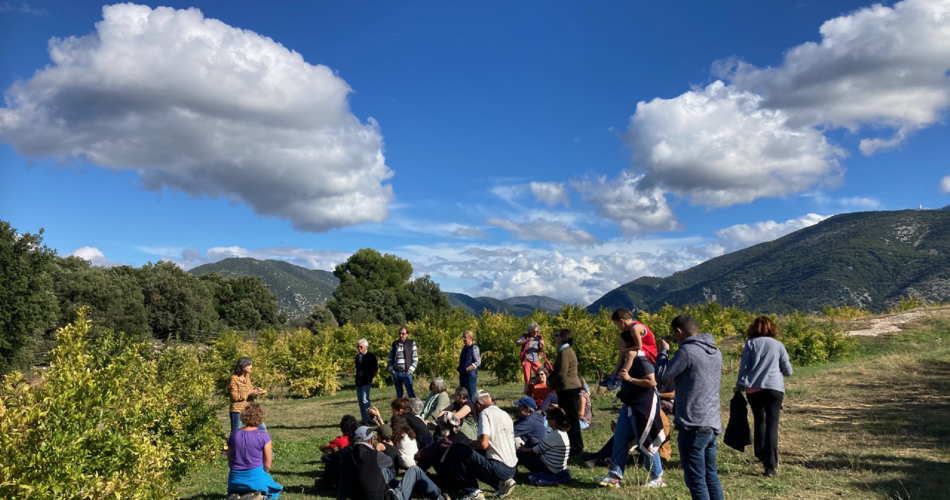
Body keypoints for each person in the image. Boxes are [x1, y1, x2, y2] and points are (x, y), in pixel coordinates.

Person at [655, 314, 724, 500]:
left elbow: (661, 376)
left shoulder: (687, 352)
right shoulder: (715, 351)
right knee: (711, 475)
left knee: (696, 480)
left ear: (679, 331)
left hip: (692, 424)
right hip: (712, 422)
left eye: (674, 334)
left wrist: (663, 351)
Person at [595, 335, 665, 489]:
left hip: (643, 404)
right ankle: (614, 476)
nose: (619, 345)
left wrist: (630, 379)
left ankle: (657, 477)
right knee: (620, 438)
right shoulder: (628, 359)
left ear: (629, 344)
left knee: (645, 439)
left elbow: (652, 382)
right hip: (629, 403)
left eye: (621, 342)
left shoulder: (641, 360)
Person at [734, 316, 793, 477]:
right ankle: (770, 466)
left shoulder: (751, 344)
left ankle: (760, 453)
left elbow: (744, 367)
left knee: (760, 420)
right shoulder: (778, 345)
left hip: (754, 388)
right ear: (772, 328)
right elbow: (788, 371)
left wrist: (739, 385)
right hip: (774, 389)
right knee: (772, 426)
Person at [339, 425, 448, 500]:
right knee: (414, 470)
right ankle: (439, 497)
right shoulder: (375, 455)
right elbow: (388, 461)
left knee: (382, 470)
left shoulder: (345, 458)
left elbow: (342, 484)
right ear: (371, 440)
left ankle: (402, 487)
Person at [451, 390, 518, 500]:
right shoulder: (505, 414)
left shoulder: (485, 413)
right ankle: (502, 483)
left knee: (458, 450)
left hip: (499, 467)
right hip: (512, 467)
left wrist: (469, 443)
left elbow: (483, 443)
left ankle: (472, 491)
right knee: (475, 456)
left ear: (477, 404)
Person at [226, 403, 282, 499]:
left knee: (240, 488)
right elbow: (267, 464)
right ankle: (261, 496)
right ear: (261, 417)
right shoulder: (264, 436)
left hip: (234, 479)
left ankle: (236, 494)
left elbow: (229, 459)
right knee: (275, 489)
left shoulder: (234, 434)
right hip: (255, 477)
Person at [547, 329, 583, 456]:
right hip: (567, 388)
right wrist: (549, 378)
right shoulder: (564, 351)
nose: (555, 338)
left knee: (570, 417)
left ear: (562, 338)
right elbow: (556, 371)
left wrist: (551, 383)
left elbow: (562, 374)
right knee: (568, 416)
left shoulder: (565, 352)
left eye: (557, 335)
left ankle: (576, 446)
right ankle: (571, 443)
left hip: (568, 388)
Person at [415, 413, 472, 490]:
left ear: (443, 426)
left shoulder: (446, 442)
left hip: (456, 482)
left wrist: (419, 454)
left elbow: (423, 454)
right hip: (468, 479)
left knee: (432, 456)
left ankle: (414, 475)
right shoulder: (462, 436)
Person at [517, 406, 570, 476]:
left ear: (554, 421)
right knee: (532, 440)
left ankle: (511, 472)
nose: (546, 419)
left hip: (549, 470)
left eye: (548, 418)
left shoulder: (553, 435)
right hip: (557, 467)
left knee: (518, 453)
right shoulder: (562, 433)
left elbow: (537, 450)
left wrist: (524, 450)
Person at [388, 326, 419, 399]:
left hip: (406, 373)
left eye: (403, 334)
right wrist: (391, 370)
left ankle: (415, 409)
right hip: (396, 373)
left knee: (410, 393)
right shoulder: (395, 344)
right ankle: (401, 410)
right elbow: (390, 358)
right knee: (399, 395)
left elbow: (415, 359)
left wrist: (410, 371)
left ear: (407, 334)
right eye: (400, 333)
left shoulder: (411, 343)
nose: (401, 335)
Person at [516, 323, 545, 395]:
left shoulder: (539, 338)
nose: (536, 333)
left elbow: (541, 350)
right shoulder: (525, 336)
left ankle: (541, 390)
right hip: (526, 359)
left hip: (535, 359)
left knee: (540, 375)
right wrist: (526, 341)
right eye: (534, 332)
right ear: (530, 331)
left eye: (537, 331)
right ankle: (528, 394)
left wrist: (542, 345)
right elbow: (517, 344)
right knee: (527, 378)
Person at [355, 338, 379, 422]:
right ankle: (364, 419)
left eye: (361, 347)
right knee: (361, 401)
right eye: (358, 347)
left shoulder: (370, 356)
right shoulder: (358, 357)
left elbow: (375, 368)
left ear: (366, 346)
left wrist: (370, 377)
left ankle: (369, 418)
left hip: (366, 381)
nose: (359, 349)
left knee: (365, 400)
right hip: (359, 382)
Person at [458, 330, 481, 403]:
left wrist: (469, 368)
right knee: (463, 393)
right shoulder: (465, 347)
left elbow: (478, 362)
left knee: (471, 393)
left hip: (470, 375)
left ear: (470, 338)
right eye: (463, 337)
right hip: (462, 374)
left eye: (465, 337)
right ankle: (466, 409)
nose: (463, 339)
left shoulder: (474, 347)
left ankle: (474, 410)